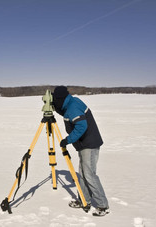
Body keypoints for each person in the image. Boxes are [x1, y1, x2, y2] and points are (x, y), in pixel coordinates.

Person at [52, 86, 109, 217]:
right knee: (82, 174)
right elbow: (66, 114)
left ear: (60, 99)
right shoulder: (70, 102)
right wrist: (54, 107)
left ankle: (102, 205)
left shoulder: (72, 107)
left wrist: (68, 140)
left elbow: (81, 126)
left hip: (89, 144)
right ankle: (85, 200)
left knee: (89, 175)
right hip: (84, 144)